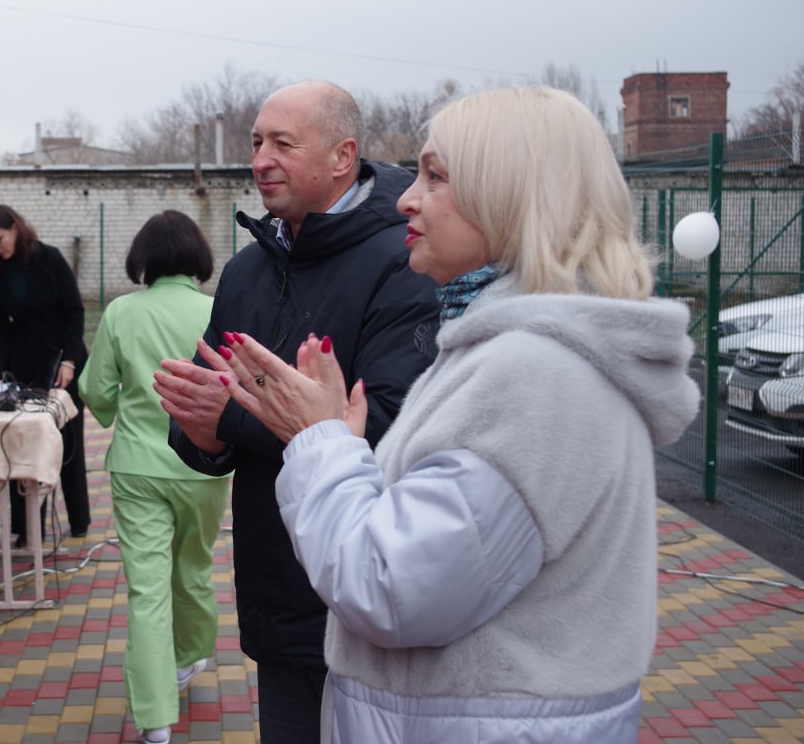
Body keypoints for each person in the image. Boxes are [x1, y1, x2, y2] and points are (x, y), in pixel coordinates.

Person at [212, 86, 701, 742]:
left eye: (435, 176)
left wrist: (322, 440)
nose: (407, 198)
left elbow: (389, 586)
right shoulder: (509, 349)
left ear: (513, 195)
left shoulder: (536, 375)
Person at [153, 80, 440, 741]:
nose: (259, 159)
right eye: (256, 142)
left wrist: (230, 419)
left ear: (342, 157)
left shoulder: (404, 263)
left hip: (369, 596)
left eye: (282, 143)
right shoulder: (248, 272)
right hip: (278, 596)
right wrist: (202, 434)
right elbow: (212, 413)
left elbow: (387, 423)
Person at [78, 211, 231, 744]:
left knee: (147, 591)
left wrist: (119, 402)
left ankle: (155, 721)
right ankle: (189, 658)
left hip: (138, 466)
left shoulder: (121, 312)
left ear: (143, 258)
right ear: (198, 259)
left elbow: (95, 391)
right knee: (193, 568)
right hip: (204, 466)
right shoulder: (218, 310)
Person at [0, 204, 90, 544]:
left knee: (67, 440)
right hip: (21, 363)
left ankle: (80, 519)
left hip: (62, 359)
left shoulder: (51, 258)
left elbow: (74, 312)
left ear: (15, 228)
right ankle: (27, 528)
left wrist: (69, 361)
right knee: (21, 441)